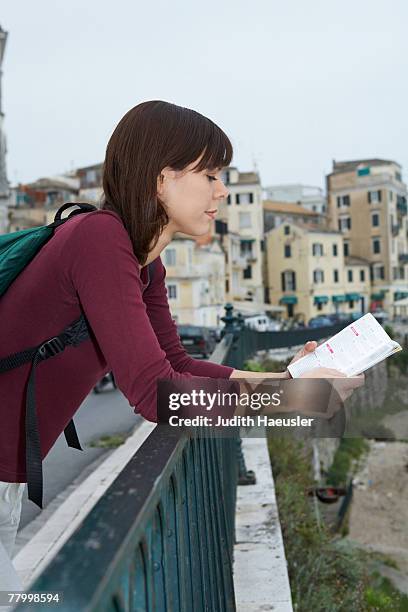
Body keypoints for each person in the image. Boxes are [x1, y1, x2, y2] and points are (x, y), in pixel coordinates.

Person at [0, 100, 361, 589]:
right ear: (160, 179)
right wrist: (295, 401)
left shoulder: (144, 263)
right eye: (209, 174)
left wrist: (287, 382)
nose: (222, 189)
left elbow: (176, 363)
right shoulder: (99, 240)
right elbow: (155, 393)